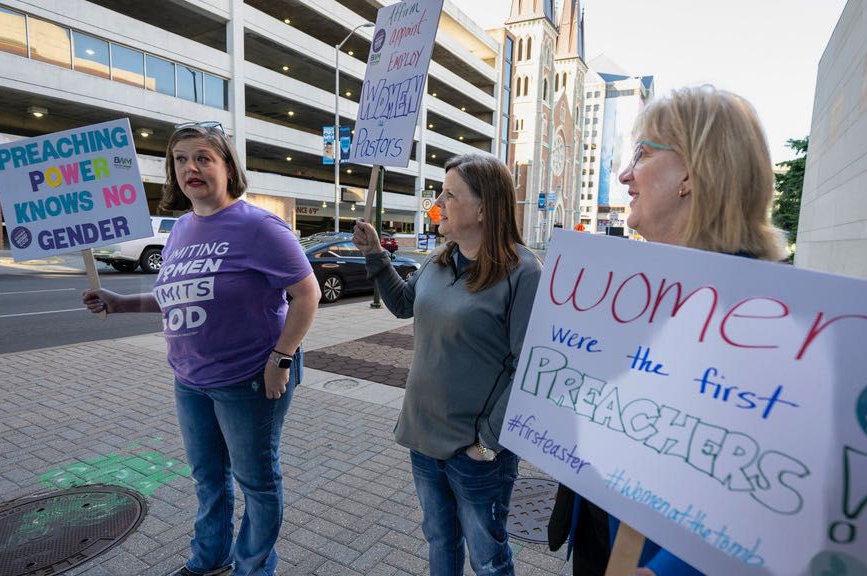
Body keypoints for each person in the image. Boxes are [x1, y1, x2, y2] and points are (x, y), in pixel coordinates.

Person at [548, 85, 786, 575]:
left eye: (642, 153)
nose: (625, 174)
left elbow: (769, 497)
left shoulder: (764, 320)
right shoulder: (632, 284)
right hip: (599, 531)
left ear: (692, 174)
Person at [82, 121, 320, 576]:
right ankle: (210, 559)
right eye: (180, 159)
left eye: (203, 158)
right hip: (191, 380)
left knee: (256, 483)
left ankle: (253, 568)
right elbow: (179, 294)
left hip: (251, 378)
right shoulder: (181, 229)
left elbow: (306, 294)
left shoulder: (259, 226)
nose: (191, 167)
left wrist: (282, 358)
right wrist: (120, 303)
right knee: (209, 480)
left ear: (227, 167)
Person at [352, 153, 543, 576]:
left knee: (488, 559)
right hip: (423, 437)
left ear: (482, 208)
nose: (436, 203)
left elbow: (528, 367)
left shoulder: (523, 273)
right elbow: (404, 305)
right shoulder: (440, 258)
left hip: (474, 452)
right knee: (440, 541)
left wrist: (486, 443)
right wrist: (375, 256)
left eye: (449, 194)